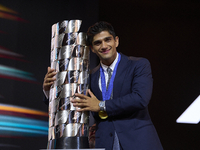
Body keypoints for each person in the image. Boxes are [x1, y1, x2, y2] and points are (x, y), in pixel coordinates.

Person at [43, 21, 163, 150]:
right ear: (92, 49)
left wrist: (101, 105)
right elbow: (70, 103)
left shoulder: (138, 65)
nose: (104, 46)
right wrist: (48, 90)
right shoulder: (88, 76)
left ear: (116, 41)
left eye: (107, 40)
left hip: (138, 141)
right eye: (98, 43)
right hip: (105, 143)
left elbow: (140, 99)